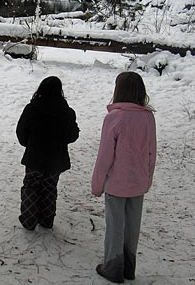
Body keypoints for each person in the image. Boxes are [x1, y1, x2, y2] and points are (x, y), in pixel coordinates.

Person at [91, 72, 157, 283]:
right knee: (132, 228)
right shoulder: (148, 117)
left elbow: (104, 156)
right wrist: (147, 180)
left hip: (117, 185)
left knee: (115, 226)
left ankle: (113, 267)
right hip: (138, 183)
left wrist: (97, 184)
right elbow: (151, 153)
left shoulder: (114, 117)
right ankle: (128, 267)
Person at [16, 76, 80, 230]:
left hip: (34, 157)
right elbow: (73, 135)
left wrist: (29, 144)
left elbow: (21, 132)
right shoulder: (67, 112)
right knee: (50, 187)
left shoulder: (31, 109)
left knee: (31, 186)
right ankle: (46, 220)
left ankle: (29, 220)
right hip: (56, 159)